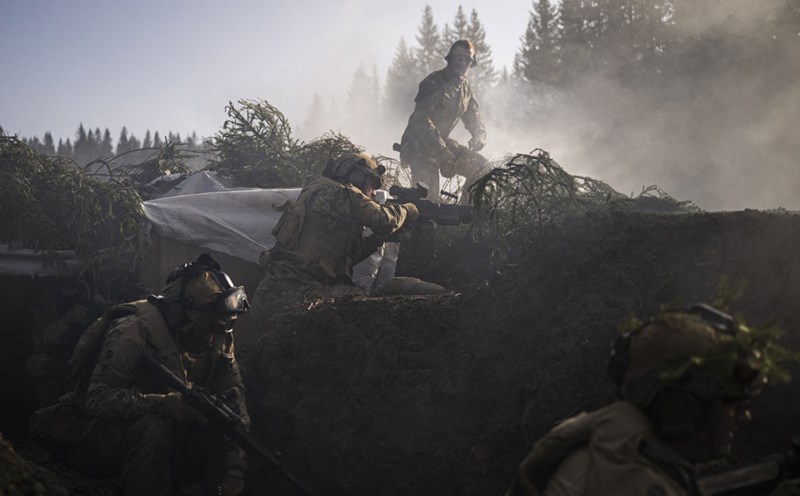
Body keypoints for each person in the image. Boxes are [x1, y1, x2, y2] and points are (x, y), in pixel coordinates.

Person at [504, 304, 795, 496]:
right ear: (683, 408)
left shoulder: (614, 446)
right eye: (732, 403)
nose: (744, 417)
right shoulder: (625, 478)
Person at [32, 254, 251, 496]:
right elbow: (95, 398)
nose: (211, 337)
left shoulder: (217, 331)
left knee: (209, 423)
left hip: (162, 435)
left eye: (217, 328)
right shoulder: (133, 330)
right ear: (183, 313)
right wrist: (161, 404)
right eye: (206, 327)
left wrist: (235, 468)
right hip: (90, 435)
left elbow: (233, 398)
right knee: (156, 426)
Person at [251, 152, 419, 329]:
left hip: (273, 294)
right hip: (299, 294)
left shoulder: (316, 190)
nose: (373, 192)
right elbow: (385, 220)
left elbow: (346, 258)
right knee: (371, 309)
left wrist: (378, 239)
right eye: (372, 183)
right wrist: (408, 209)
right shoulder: (339, 193)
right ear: (356, 176)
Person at [397, 39, 489, 200]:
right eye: (457, 57)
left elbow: (473, 115)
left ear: (471, 63)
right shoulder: (433, 82)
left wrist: (479, 135)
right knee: (427, 202)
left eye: (466, 58)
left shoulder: (465, 88)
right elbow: (421, 120)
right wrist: (442, 151)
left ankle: (465, 215)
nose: (461, 61)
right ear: (450, 58)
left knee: (481, 167)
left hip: (442, 142)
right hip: (420, 145)